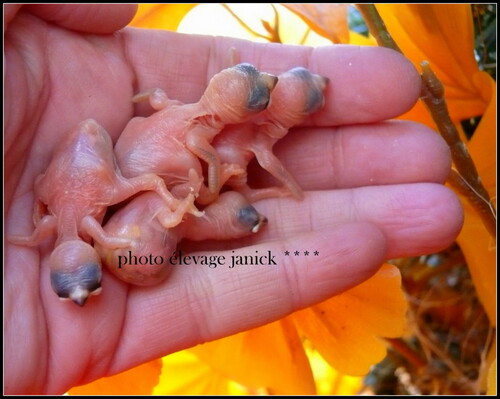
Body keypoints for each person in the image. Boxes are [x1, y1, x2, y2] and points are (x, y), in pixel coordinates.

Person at [4, 4, 463, 395]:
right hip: (138, 188)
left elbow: (162, 117)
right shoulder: (192, 153)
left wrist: (195, 191)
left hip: (134, 181)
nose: (269, 85)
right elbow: (177, 175)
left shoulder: (181, 135)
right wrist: (209, 190)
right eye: (260, 92)